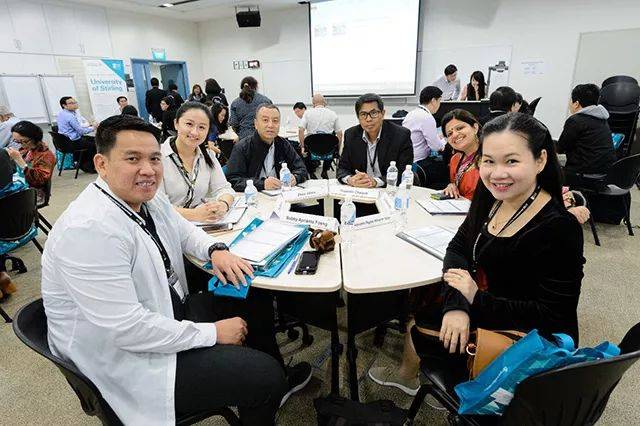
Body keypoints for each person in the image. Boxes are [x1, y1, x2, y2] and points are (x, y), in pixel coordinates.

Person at [41, 114, 311, 425]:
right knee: (264, 377)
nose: (148, 169)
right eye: (133, 159)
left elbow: (184, 230)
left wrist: (215, 250)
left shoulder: (142, 197)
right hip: (130, 360)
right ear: (101, 164)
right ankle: (265, 385)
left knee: (252, 294)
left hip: (163, 314)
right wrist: (213, 333)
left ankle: (268, 377)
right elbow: (128, 330)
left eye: (154, 158)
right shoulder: (88, 230)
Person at [369, 112, 584, 395]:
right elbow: (457, 247)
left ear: (541, 160)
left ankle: (431, 380)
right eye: (488, 161)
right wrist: (457, 305)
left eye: (512, 161)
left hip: (530, 337)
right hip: (490, 304)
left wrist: (475, 300)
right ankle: (440, 376)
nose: (497, 173)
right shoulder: (493, 197)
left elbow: (554, 316)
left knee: (419, 326)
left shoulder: (559, 227)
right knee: (432, 312)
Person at [160, 102, 235, 223]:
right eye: (189, 124)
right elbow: (156, 205)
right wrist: (193, 215)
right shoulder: (158, 157)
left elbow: (224, 188)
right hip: (169, 226)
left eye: (202, 127)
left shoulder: (208, 156)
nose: (195, 132)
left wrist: (222, 204)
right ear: (176, 123)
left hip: (201, 225)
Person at [226, 104, 308, 192]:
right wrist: (262, 184)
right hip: (255, 196)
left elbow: (302, 169)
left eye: (275, 121)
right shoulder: (242, 147)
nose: (271, 125)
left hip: (282, 195)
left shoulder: (283, 144)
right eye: (265, 120)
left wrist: (295, 177)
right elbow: (233, 180)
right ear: (256, 124)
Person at [338, 93, 413, 188]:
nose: (368, 119)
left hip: (389, 190)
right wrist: (350, 179)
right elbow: (342, 168)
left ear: (382, 113)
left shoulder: (401, 135)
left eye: (373, 113)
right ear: (358, 117)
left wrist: (375, 182)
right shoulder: (351, 135)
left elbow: (404, 172)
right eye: (363, 114)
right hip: (361, 191)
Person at [557, 84, 616, 188]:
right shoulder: (603, 119)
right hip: (605, 175)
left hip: (582, 175)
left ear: (576, 104)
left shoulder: (575, 120)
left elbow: (560, 148)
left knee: (547, 168)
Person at [402, 86, 448, 188]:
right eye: (439, 101)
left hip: (407, 159)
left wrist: (438, 137)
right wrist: (445, 141)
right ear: (433, 101)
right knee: (446, 168)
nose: (439, 105)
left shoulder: (412, 113)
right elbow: (436, 147)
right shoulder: (427, 117)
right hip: (418, 163)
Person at [6, 121, 56, 205]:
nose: (21, 145)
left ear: (34, 138)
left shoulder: (46, 155)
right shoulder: (26, 149)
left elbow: (39, 181)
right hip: (21, 186)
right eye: (17, 142)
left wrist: (20, 161)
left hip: (34, 193)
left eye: (23, 141)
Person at [298, 94, 342, 179]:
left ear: (313, 103)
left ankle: (311, 173)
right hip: (328, 149)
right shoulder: (332, 114)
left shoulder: (307, 113)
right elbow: (339, 133)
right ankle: (324, 171)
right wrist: (337, 148)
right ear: (324, 103)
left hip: (312, 148)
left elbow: (301, 130)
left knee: (304, 151)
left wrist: (302, 147)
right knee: (331, 146)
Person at [441, 109, 481, 200]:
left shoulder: (491, 157)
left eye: (459, 128)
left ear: (475, 128)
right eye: (450, 134)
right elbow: (457, 186)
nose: (454, 135)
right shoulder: (455, 159)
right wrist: (452, 186)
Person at [57, 96, 97, 172]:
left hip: (65, 141)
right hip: (72, 142)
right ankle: (89, 166)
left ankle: (82, 163)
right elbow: (81, 131)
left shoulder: (62, 113)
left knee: (94, 139)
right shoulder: (69, 116)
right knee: (95, 144)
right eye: (71, 103)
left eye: (75, 102)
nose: (74, 104)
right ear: (64, 105)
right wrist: (94, 127)